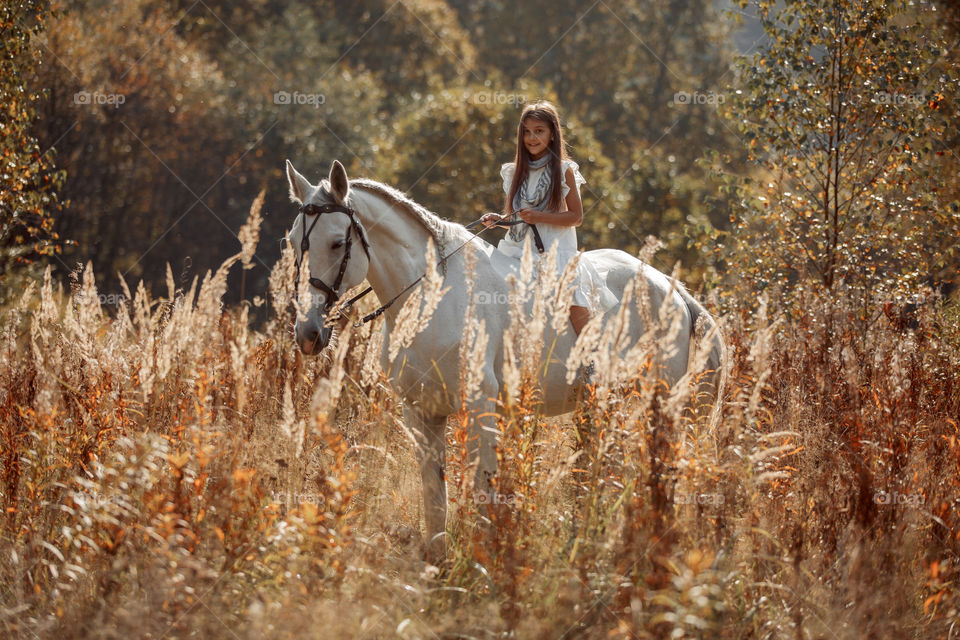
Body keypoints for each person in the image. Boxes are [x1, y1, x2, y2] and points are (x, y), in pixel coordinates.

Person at [482, 100, 617, 339]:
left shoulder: (564, 170)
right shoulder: (514, 172)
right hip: (515, 250)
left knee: (571, 298)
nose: (531, 138)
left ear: (553, 134)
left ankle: (592, 360)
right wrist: (500, 221)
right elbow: (521, 218)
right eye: (526, 132)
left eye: (539, 131)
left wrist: (539, 216)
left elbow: (576, 217)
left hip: (554, 252)